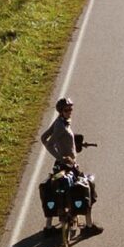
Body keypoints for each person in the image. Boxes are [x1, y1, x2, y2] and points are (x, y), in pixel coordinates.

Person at [39, 96, 97, 232]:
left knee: (53, 188)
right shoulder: (61, 126)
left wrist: (77, 144)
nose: (69, 111)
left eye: (71, 109)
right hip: (68, 165)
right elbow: (49, 144)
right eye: (66, 110)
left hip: (59, 166)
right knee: (87, 187)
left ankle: (48, 227)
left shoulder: (60, 121)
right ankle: (89, 225)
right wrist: (62, 157)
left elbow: (43, 137)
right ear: (61, 111)